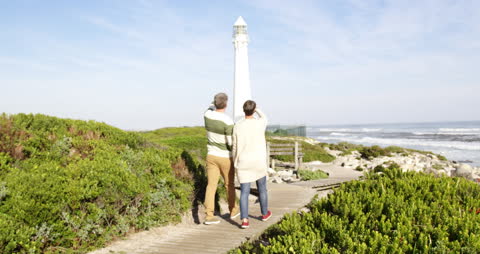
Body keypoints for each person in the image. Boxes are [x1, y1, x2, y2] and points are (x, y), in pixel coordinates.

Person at [232, 100, 272, 229]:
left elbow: (234, 146)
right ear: (254, 110)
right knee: (262, 188)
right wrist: (258, 110)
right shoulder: (260, 123)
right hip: (258, 161)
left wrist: (235, 160)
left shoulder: (237, 125)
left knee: (244, 191)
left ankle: (244, 220)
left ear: (243, 110)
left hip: (243, 161)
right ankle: (265, 214)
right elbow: (265, 117)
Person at [203, 93, 240, 225]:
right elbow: (231, 143)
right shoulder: (228, 121)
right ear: (226, 104)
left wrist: (213, 103)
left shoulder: (207, 115)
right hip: (225, 157)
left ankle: (208, 215)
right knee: (229, 184)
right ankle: (233, 210)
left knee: (211, 186)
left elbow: (209, 107)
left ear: (215, 102)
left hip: (211, 156)